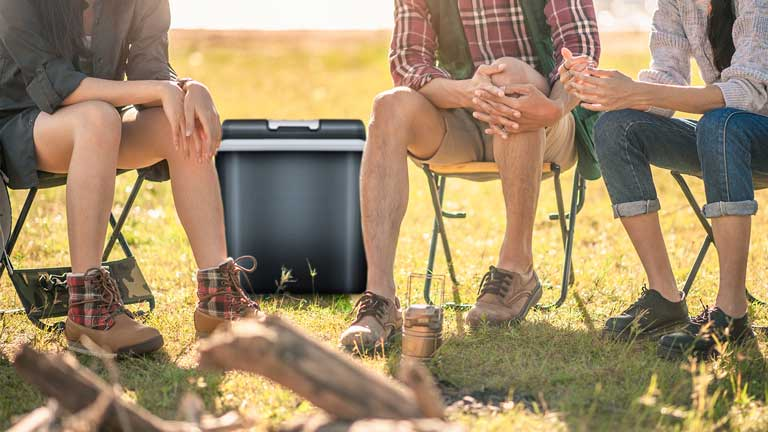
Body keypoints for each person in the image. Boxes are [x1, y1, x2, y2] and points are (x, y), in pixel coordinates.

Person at [0, 0, 260, 357]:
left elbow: (150, 70)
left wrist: (187, 88)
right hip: (20, 128)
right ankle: (88, 310)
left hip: (99, 131)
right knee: (98, 118)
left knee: (182, 121)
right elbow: (54, 83)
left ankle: (218, 298)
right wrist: (158, 91)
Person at [339, 0, 601, 353]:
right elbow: (408, 63)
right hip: (464, 115)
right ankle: (380, 297)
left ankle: (517, 267)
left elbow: (580, 59)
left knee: (510, 76)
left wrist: (551, 107)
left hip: (549, 116)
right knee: (389, 105)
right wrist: (470, 92)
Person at [565, 0, 766, 357]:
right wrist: (601, 88)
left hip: (746, 131)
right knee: (617, 127)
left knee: (720, 123)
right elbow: (666, 81)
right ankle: (665, 298)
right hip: (721, 137)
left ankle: (731, 313)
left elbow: (747, 95)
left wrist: (640, 93)